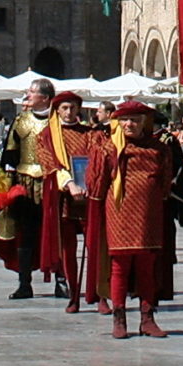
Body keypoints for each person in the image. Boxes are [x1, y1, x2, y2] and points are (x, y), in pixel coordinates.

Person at [85, 101, 183, 340]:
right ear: (117, 123)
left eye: (135, 120)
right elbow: (98, 184)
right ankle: (119, 317)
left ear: (144, 122)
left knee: (147, 266)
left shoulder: (158, 149)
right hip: (119, 213)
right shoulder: (109, 149)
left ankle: (147, 317)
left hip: (150, 213)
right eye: (125, 120)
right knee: (120, 265)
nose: (130, 124)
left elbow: (165, 183)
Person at [37, 90, 106, 311]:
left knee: (95, 245)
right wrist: (70, 184)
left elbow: (100, 158)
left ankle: (100, 295)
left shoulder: (91, 134)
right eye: (64, 108)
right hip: (64, 196)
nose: (68, 112)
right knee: (68, 248)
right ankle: (74, 293)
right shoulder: (47, 135)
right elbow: (49, 163)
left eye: (73, 108)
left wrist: (91, 184)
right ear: (57, 110)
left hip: (90, 195)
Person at [0, 79, 56, 295]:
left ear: (45, 98)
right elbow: (9, 155)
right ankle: (24, 283)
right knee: (25, 232)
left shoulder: (56, 122)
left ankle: (61, 280)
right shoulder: (21, 120)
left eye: (32, 92)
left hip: (52, 182)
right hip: (25, 183)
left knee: (54, 232)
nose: (27, 95)